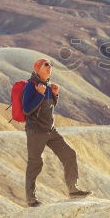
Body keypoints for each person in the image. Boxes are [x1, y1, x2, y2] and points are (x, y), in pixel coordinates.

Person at [23, 58, 90, 207]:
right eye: (46, 65)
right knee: (35, 163)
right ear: (37, 68)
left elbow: (49, 107)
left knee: (69, 154)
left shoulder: (47, 86)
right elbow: (27, 109)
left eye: (51, 65)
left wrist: (55, 95)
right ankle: (31, 199)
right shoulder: (31, 86)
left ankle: (73, 189)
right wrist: (39, 94)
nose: (50, 67)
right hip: (36, 131)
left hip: (50, 130)